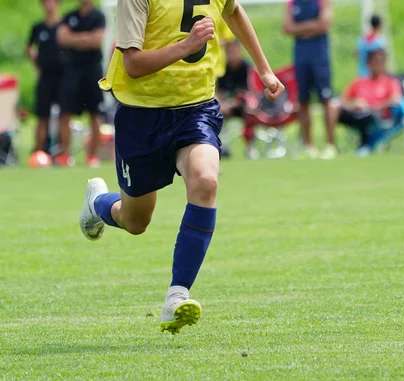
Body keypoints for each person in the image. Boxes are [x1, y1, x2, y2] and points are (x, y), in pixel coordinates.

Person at [80, 0, 284, 334]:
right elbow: (132, 64)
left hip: (196, 109)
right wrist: (187, 46)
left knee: (206, 180)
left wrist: (264, 69)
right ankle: (97, 204)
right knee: (135, 221)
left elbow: (233, 10)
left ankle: (177, 295)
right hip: (140, 115)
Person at [283, 0, 337, 159]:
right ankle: (308, 146)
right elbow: (287, 28)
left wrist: (299, 29)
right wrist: (312, 27)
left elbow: (324, 24)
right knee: (303, 101)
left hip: (320, 57)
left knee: (326, 99)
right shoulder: (292, 3)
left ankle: (330, 145)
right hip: (300, 57)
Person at [56, 0, 106, 167]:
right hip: (72, 70)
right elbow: (62, 38)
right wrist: (85, 38)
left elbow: (97, 40)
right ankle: (65, 154)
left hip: (92, 70)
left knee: (95, 113)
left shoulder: (99, 16)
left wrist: (74, 39)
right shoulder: (70, 16)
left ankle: (93, 155)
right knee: (65, 112)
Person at [338, 49, 402, 156]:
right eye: (376, 62)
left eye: (382, 62)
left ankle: (365, 145)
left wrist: (373, 107)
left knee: (367, 115)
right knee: (335, 111)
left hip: (378, 116)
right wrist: (353, 105)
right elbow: (343, 99)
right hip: (357, 114)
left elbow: (396, 99)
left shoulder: (390, 82)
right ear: (368, 63)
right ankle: (331, 146)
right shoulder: (359, 82)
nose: (380, 65)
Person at [26, 0, 65, 161]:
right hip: (45, 78)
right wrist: (37, 65)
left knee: (64, 115)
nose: (49, 5)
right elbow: (29, 48)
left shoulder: (64, 27)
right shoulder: (38, 27)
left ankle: (63, 154)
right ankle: (39, 153)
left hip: (63, 78)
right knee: (42, 116)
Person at [217, 40, 258, 159]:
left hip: (243, 105)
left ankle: (250, 147)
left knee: (250, 113)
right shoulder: (223, 69)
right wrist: (222, 104)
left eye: (234, 50)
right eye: (229, 51)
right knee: (216, 113)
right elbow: (219, 91)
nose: (232, 54)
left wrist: (233, 103)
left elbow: (250, 92)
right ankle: (221, 146)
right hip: (227, 106)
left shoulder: (246, 68)